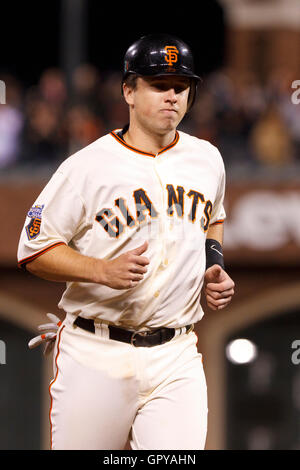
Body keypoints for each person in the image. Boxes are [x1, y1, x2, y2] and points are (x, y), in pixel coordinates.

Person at [17, 33, 235, 450]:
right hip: (95, 353)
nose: (172, 95)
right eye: (158, 85)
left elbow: (214, 218)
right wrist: (99, 269)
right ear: (128, 91)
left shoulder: (207, 159)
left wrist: (215, 264)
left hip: (177, 354)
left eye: (180, 86)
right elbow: (33, 248)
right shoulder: (86, 166)